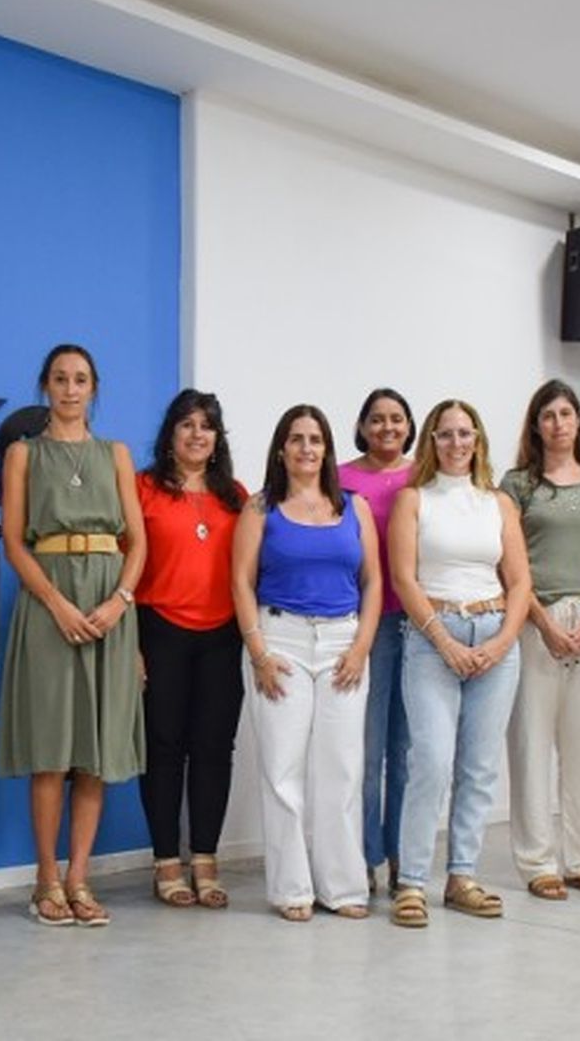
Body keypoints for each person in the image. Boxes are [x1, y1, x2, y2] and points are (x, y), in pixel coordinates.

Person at [0, 344, 146, 927]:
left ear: (94, 387)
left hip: (110, 601)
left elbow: (137, 540)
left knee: (94, 753)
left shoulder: (116, 455)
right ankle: (46, 880)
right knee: (51, 752)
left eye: (80, 379)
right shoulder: (23, 455)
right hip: (48, 601)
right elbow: (13, 541)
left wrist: (119, 602)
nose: (69, 389)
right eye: (59, 379)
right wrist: (56, 603)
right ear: (45, 386)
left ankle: (80, 878)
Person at [232, 404, 381, 921]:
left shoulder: (353, 508)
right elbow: (241, 582)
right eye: (296, 439)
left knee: (341, 769)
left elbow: (373, 582)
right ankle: (292, 888)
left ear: (327, 449)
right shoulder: (260, 508)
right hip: (281, 641)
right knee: (282, 770)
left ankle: (342, 887)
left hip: (343, 643)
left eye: (315, 439)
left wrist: (361, 646)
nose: (306, 448)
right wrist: (259, 653)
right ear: (281, 449)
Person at [388, 399, 530, 928]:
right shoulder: (413, 501)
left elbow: (520, 583)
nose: (455, 443)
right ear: (430, 441)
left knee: (479, 766)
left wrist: (501, 642)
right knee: (431, 761)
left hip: (495, 635)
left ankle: (462, 876)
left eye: (464, 434)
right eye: (445, 434)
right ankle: (412, 883)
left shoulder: (498, 504)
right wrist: (444, 641)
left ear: (478, 441)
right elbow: (404, 579)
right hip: (432, 637)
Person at [500, 380, 580, 901]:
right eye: (547, 416)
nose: (558, 424)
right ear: (536, 425)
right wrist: (543, 623)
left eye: (566, 413)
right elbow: (509, 563)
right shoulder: (517, 485)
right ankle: (537, 861)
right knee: (530, 742)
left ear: (579, 421)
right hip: (534, 620)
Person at [135, 388, 248, 909]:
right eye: (187, 425)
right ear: (170, 434)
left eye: (207, 426)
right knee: (162, 751)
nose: (197, 434)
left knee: (214, 750)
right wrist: (130, 646)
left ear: (217, 437)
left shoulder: (237, 496)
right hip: (159, 630)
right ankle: (165, 862)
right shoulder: (142, 488)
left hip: (222, 636)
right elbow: (123, 568)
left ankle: (204, 856)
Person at [338, 387, 416, 895]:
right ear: (362, 426)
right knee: (365, 752)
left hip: (421, 625)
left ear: (409, 426)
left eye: (396, 419)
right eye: (377, 419)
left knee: (407, 752)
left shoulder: (424, 477)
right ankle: (364, 856)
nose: (387, 427)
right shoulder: (341, 478)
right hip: (367, 624)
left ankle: (402, 858)